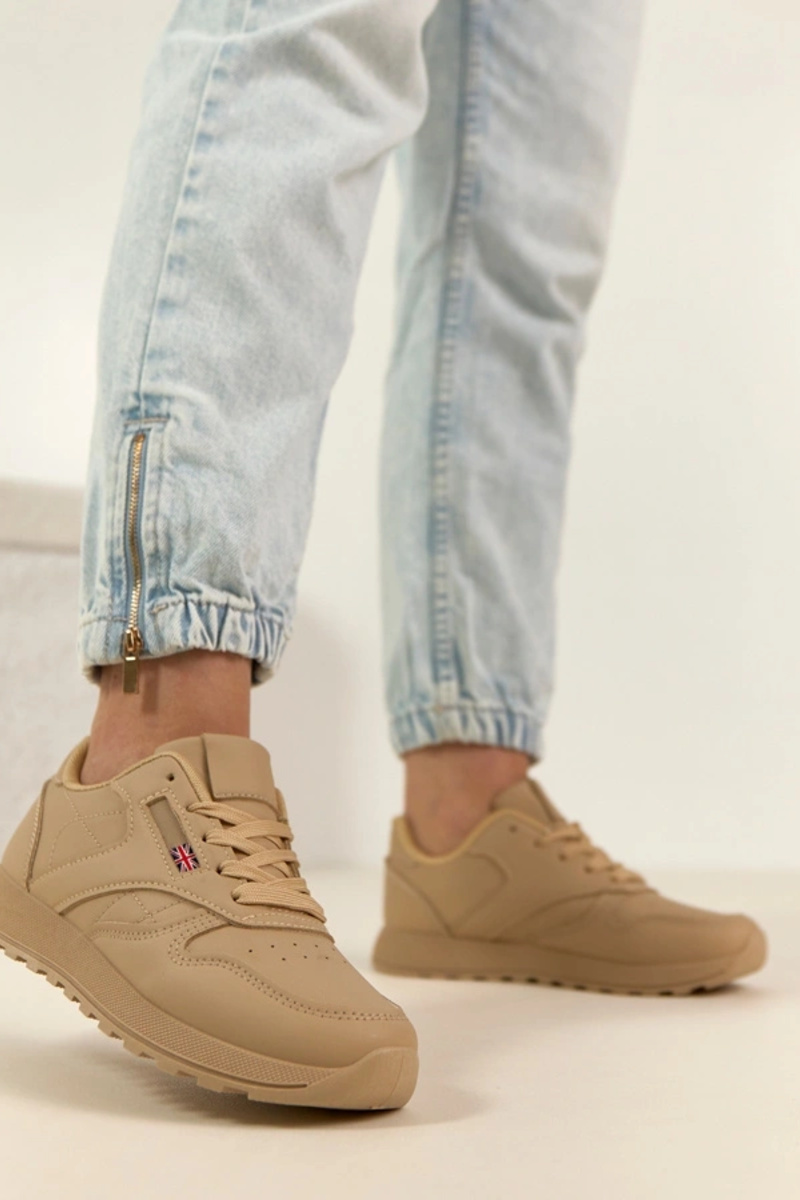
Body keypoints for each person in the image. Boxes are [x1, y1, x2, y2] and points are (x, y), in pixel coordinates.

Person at [0, 0, 766, 1111]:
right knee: (315, 36)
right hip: (155, 759)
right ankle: (149, 766)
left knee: (527, 238)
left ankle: (469, 824)